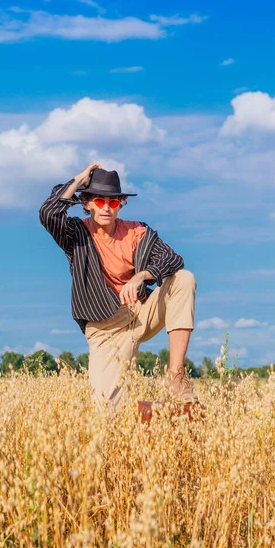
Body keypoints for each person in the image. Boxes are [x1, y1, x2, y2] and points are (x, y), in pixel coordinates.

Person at [39, 163, 200, 411]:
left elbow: (172, 259)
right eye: (99, 201)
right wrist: (80, 179)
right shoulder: (76, 234)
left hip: (140, 313)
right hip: (105, 330)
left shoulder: (137, 231)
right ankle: (153, 415)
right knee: (107, 411)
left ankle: (175, 375)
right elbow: (49, 213)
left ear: (120, 204)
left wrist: (142, 276)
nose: (106, 208)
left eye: (113, 202)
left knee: (183, 278)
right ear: (87, 203)